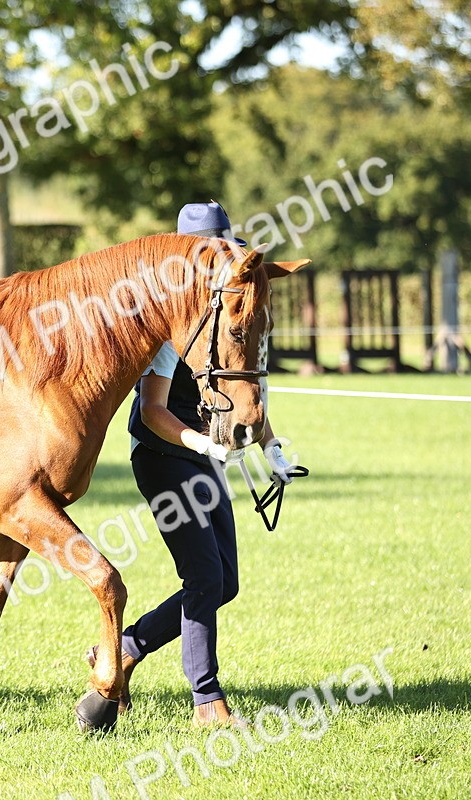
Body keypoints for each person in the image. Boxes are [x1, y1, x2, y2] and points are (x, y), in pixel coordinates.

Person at [88, 201, 301, 727]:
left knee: (224, 582)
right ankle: (207, 700)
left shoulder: (229, 309)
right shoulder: (166, 327)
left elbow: (241, 387)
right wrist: (205, 445)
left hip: (202, 458)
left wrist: (271, 447)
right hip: (164, 456)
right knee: (204, 575)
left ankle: (126, 648)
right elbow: (153, 411)